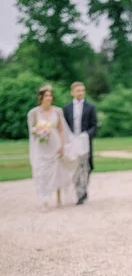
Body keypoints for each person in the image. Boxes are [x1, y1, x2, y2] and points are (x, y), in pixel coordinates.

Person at [27, 84, 89, 212]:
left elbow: (61, 130)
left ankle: (58, 197)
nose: (49, 98)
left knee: (57, 171)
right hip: (41, 147)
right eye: (47, 96)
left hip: (55, 145)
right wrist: (39, 132)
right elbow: (32, 130)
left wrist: (62, 145)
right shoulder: (33, 113)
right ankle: (44, 200)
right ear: (41, 98)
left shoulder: (57, 111)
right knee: (42, 173)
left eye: (51, 95)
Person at [63, 82, 97, 205]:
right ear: (72, 92)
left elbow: (94, 125)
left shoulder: (91, 107)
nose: (80, 93)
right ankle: (80, 192)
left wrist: (87, 135)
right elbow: (64, 126)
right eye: (78, 91)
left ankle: (83, 188)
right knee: (75, 167)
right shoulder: (66, 109)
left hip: (85, 142)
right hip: (72, 143)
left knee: (87, 167)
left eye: (82, 90)